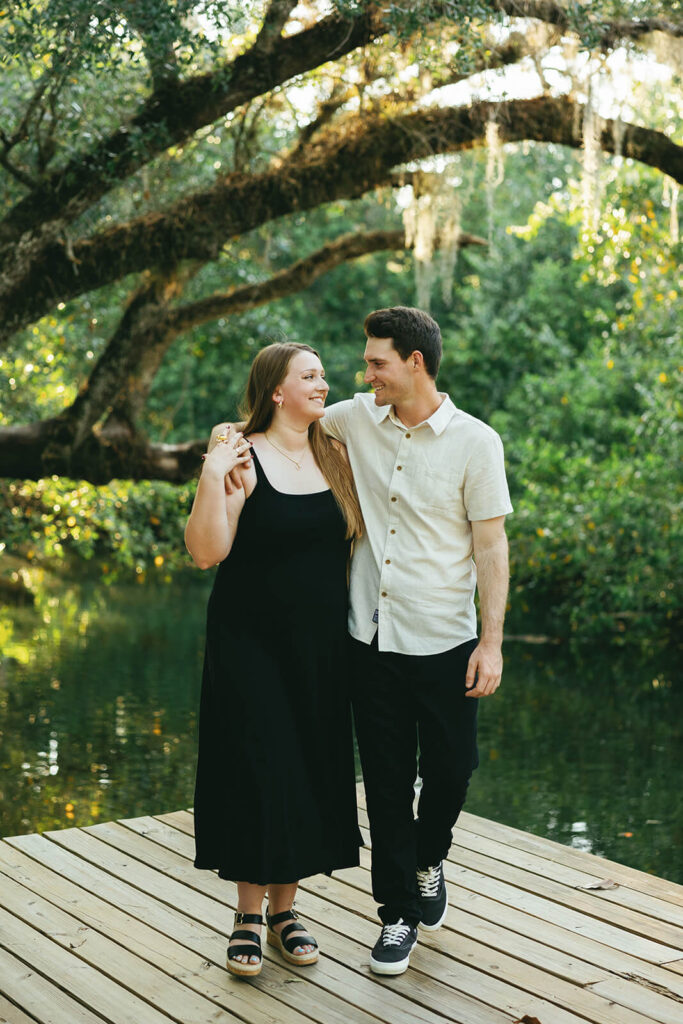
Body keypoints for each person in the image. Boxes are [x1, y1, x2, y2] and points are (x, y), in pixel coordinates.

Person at [321, 306, 513, 975]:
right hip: (368, 642)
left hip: (446, 642)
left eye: (376, 361)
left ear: (414, 363)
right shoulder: (351, 418)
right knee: (384, 780)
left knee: (453, 767)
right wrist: (231, 436)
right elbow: (284, 423)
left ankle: (431, 856)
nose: (364, 372)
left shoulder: (475, 443)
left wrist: (490, 643)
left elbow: (490, 547)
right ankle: (397, 912)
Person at [185, 342, 363, 979]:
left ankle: (287, 913)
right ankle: (247, 916)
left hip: (320, 645)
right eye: (309, 375)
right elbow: (207, 551)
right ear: (277, 390)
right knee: (260, 766)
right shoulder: (239, 452)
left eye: (323, 372)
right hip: (248, 641)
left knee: (307, 767)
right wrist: (212, 474)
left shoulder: (335, 453)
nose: (324, 382)